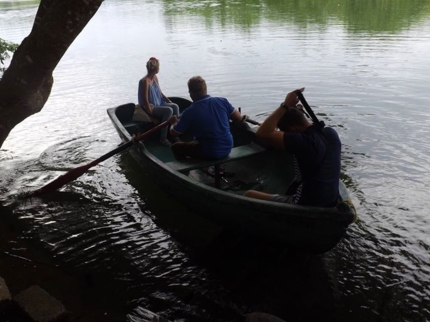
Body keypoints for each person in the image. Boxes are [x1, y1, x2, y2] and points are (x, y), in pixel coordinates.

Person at [244, 88, 341, 207]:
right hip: (331, 199)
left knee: (250, 194)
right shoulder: (330, 133)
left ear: (292, 130)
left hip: (306, 203)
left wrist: (285, 106)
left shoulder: (302, 142)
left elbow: (262, 134)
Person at [169, 76, 243, 160]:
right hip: (228, 147)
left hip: (208, 151)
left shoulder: (190, 111)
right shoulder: (222, 101)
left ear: (191, 93)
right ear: (205, 89)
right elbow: (239, 118)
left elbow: (174, 133)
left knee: (176, 147)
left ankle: (188, 169)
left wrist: (173, 123)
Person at [138, 57, 180, 147]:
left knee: (175, 106)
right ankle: (163, 138)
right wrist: (151, 117)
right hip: (151, 107)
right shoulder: (145, 81)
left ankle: (174, 134)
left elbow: (160, 92)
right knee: (168, 110)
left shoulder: (155, 78)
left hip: (159, 103)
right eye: (159, 66)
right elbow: (145, 101)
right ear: (155, 68)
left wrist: (169, 101)